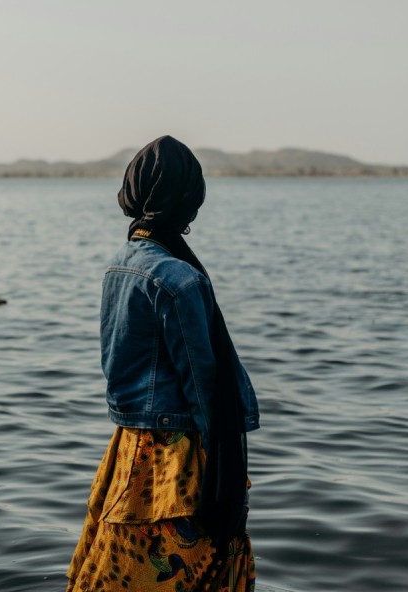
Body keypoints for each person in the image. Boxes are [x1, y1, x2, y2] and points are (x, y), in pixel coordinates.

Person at [65, 136, 260, 591]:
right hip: (174, 462)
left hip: (128, 450)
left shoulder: (120, 264)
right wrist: (225, 489)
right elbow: (205, 388)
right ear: (189, 200)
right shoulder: (179, 278)